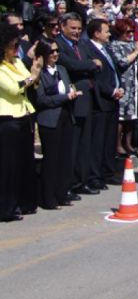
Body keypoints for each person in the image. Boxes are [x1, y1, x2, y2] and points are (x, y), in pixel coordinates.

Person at [55, 13, 102, 196]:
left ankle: (81, 181)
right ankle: (69, 184)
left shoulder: (81, 44)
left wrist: (90, 64)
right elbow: (72, 65)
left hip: (87, 97)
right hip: (72, 99)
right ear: (63, 27)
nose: (76, 32)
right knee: (73, 144)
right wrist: (91, 64)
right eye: (72, 28)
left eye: (78, 28)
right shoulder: (59, 45)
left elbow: (94, 63)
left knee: (85, 143)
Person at [0, 22, 43, 221]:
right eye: (13, 46)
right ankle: (8, 207)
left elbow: (30, 80)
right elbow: (13, 88)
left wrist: (32, 75)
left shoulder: (17, 62)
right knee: (9, 166)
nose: (17, 49)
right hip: (7, 119)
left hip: (24, 115)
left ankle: (26, 202)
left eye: (18, 45)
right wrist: (32, 76)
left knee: (26, 162)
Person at [34, 38, 82, 209]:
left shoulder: (61, 69)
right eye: (51, 52)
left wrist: (73, 92)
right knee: (51, 159)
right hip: (49, 119)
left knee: (65, 157)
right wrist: (64, 97)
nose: (55, 54)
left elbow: (68, 87)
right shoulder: (39, 73)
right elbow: (41, 99)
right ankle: (48, 198)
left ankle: (62, 193)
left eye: (56, 51)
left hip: (66, 116)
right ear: (43, 55)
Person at [83, 19, 125, 190]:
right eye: (106, 31)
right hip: (101, 101)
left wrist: (119, 88)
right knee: (98, 141)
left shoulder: (106, 49)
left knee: (109, 140)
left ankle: (107, 171)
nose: (109, 34)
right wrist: (111, 90)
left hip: (113, 100)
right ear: (96, 33)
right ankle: (95, 175)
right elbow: (96, 78)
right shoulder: (89, 49)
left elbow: (114, 70)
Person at [109, 18, 138, 156]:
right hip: (123, 84)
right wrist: (137, 51)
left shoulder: (133, 44)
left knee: (132, 117)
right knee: (121, 117)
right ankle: (118, 144)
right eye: (127, 32)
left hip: (135, 84)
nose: (130, 34)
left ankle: (128, 143)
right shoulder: (114, 45)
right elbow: (122, 62)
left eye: (132, 31)